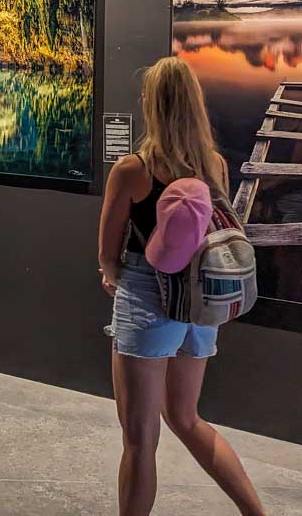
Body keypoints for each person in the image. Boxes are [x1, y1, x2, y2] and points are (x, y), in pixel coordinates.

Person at [98, 56, 266, 516]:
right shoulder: (215, 166)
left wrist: (113, 276)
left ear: (151, 105)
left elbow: (108, 253)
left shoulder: (133, 170)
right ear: (195, 104)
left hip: (147, 300)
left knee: (139, 440)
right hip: (202, 304)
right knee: (186, 417)